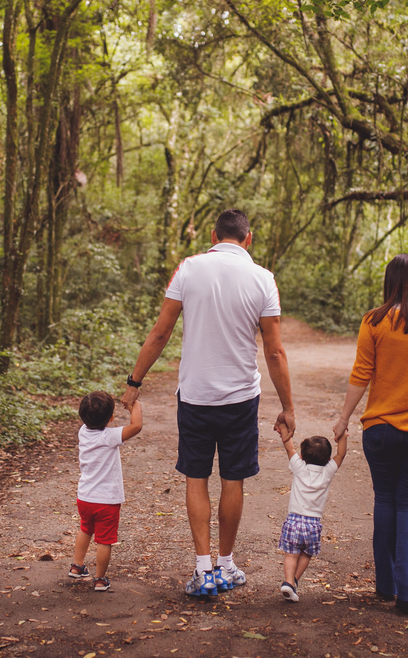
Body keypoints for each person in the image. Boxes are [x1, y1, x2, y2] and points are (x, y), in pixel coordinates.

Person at [121, 208, 295, 598]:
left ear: (214, 235)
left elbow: (161, 331)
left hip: (196, 396)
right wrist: (288, 407)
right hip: (241, 398)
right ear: (249, 238)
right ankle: (227, 565)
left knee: (196, 477)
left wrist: (134, 383)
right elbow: (274, 351)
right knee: (233, 479)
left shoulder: (188, 268)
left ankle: (203, 570)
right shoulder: (263, 278)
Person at [332, 253, 408, 615]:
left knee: (385, 500)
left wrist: (344, 418)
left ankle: (385, 585)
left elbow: (361, 373)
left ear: (391, 282)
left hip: (380, 431)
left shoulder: (374, 321)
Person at [69, 390, 144, 591]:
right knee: (104, 540)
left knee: (85, 528)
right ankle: (100, 579)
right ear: (110, 418)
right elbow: (136, 426)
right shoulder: (109, 436)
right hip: (106, 501)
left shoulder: (83, 432)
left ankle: (77, 566)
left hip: (85, 497)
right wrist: (135, 405)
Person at [275, 422, 347, 602]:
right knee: (306, 554)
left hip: (294, 521)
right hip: (313, 524)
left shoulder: (299, 467)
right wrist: (342, 436)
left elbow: (289, 447)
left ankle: (288, 581)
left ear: (302, 456)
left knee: (291, 554)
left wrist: (283, 428)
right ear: (328, 459)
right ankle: (294, 582)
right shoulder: (327, 472)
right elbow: (341, 454)